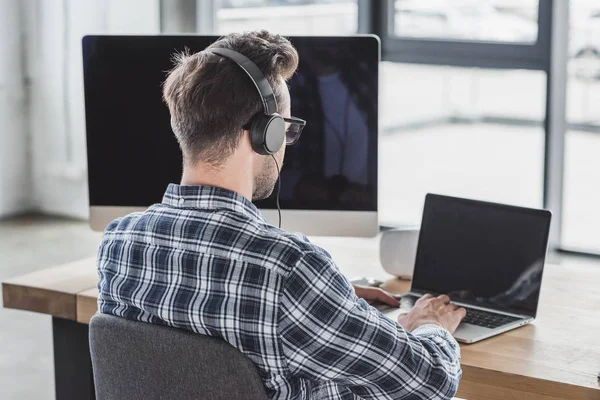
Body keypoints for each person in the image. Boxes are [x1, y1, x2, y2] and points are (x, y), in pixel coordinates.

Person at [97, 30, 466, 400]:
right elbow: (430, 382)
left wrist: (330, 298)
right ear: (266, 136)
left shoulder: (118, 242)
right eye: (287, 130)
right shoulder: (289, 269)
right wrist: (430, 324)